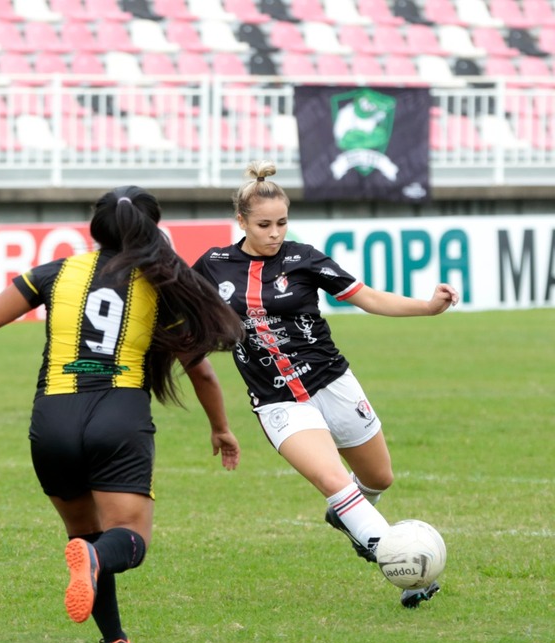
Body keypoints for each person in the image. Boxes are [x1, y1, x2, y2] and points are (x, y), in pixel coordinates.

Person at [0, 186, 243, 643]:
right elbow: (200, 370)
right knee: (128, 541)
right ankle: (98, 562)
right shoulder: (160, 281)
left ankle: (115, 641)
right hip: (117, 415)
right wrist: (220, 428)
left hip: (52, 419)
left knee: (84, 536)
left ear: (95, 227)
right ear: (151, 226)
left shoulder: (55, 273)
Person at [191, 161, 460, 608]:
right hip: (277, 400)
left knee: (378, 477)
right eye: (263, 224)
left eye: (281, 223)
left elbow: (368, 297)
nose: (274, 232)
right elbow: (179, 310)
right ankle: (405, 567)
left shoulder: (304, 258)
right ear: (240, 221)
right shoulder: (212, 266)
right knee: (336, 480)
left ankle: (349, 517)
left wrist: (428, 307)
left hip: (333, 382)